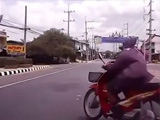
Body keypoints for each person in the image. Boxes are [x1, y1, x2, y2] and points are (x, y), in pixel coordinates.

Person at [102, 36, 154, 105]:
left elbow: (114, 68)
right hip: (144, 77)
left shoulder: (125, 53)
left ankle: (116, 109)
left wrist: (107, 66)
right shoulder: (137, 52)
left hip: (130, 76)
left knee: (110, 88)